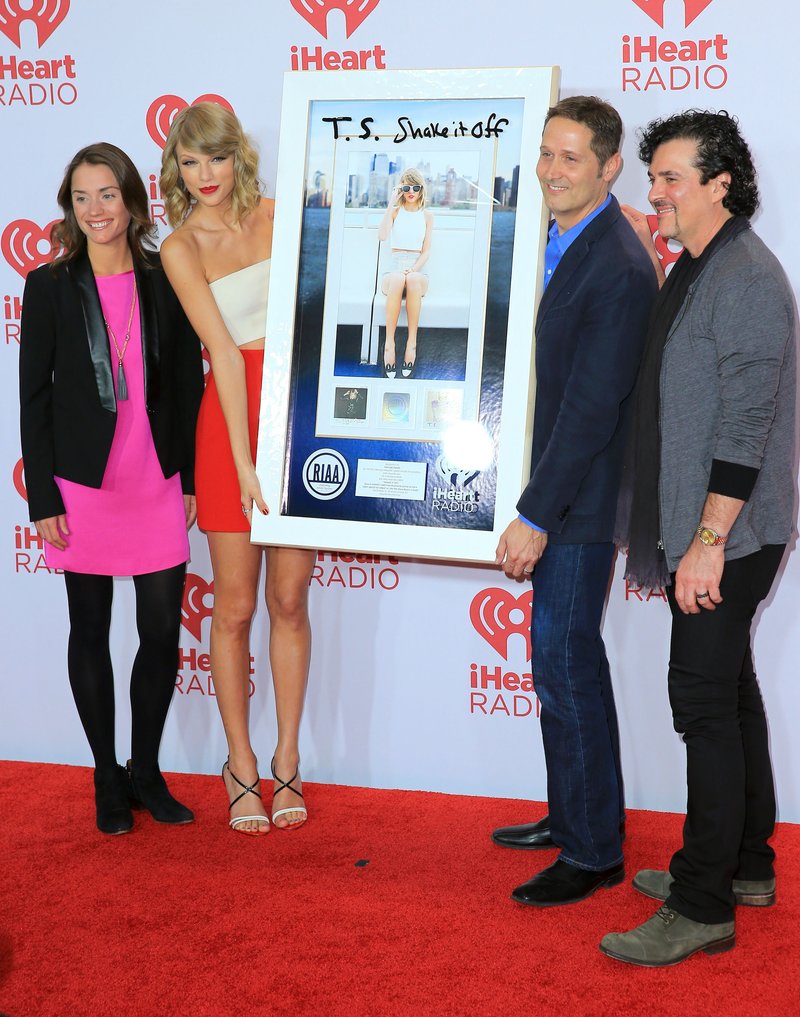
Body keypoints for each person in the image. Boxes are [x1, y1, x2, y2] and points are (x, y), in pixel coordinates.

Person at [601, 110, 796, 967]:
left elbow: (748, 423)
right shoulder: (699, 263)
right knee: (731, 691)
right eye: (653, 177)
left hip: (731, 528)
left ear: (722, 182)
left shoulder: (745, 276)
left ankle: (703, 901)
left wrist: (709, 537)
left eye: (672, 177)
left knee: (703, 705)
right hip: (713, 523)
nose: (655, 192)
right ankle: (746, 862)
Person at [493, 96, 658, 905]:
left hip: (578, 504)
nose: (552, 171)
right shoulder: (563, 238)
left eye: (570, 158)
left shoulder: (620, 266)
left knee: (566, 665)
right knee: (557, 665)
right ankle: (569, 815)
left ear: (608, 167)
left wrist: (533, 514)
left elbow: (593, 409)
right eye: (546, 155)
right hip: (559, 491)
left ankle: (594, 850)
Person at [19, 143, 204, 835]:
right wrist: (44, 498)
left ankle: (146, 770)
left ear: (130, 198)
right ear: (69, 208)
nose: (95, 210)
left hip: (156, 479)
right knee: (89, 628)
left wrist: (187, 474)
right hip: (82, 485)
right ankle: (105, 775)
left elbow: (189, 380)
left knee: (159, 631)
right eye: (80, 197)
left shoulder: (165, 277)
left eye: (106, 194)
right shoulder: (48, 286)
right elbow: (32, 399)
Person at [159, 102, 315, 837]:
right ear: (176, 170)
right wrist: (246, 460)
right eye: (191, 163)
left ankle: (287, 754)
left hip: (296, 418)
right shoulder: (181, 246)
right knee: (236, 606)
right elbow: (222, 353)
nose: (205, 176)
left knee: (289, 600)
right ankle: (240, 761)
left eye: (215, 159)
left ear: (237, 158)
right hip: (229, 431)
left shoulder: (284, 215)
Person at [377, 168, 433, 379]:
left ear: (421, 190)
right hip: (394, 271)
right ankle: (389, 343)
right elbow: (382, 236)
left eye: (416, 187)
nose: (411, 191)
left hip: (417, 271)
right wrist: (392, 201)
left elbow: (426, 250)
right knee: (401, 277)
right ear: (401, 188)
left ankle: (411, 343)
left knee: (411, 278)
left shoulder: (427, 216)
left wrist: (415, 268)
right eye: (406, 187)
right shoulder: (395, 212)